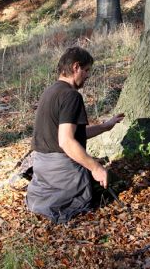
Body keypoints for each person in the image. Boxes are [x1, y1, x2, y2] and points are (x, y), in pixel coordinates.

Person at [25, 47, 124, 223]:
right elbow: (66, 142)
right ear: (76, 67)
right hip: (61, 170)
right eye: (86, 71)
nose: (87, 76)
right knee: (115, 184)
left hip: (41, 167)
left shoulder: (50, 92)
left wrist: (105, 127)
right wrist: (96, 168)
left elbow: (72, 135)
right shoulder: (71, 96)